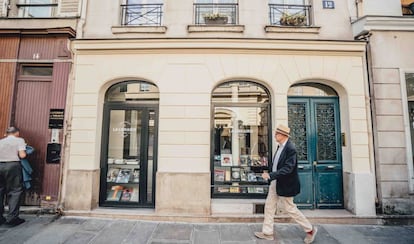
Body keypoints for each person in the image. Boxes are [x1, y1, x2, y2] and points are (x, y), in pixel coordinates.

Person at [254, 124, 318, 243]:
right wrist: (269, 173)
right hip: (276, 181)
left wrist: (271, 175)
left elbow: (288, 168)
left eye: (277, 134)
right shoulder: (280, 147)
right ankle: (267, 233)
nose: (275, 135)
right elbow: (277, 165)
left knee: (290, 208)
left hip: (286, 183)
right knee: (269, 206)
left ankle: (310, 230)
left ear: (283, 135)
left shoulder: (290, 148)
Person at [0, 126, 27, 226]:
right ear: (17, 133)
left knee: (0, 191)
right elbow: (22, 155)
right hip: (12, 166)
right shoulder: (19, 140)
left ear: (7, 133)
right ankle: (12, 218)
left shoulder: (1, 141)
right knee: (15, 191)